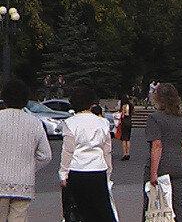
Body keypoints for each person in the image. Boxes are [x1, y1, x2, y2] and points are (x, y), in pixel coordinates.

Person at [59, 84, 116, 222]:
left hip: (77, 171)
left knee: (79, 212)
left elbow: (68, 151)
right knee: (100, 213)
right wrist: (108, 172)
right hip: (98, 170)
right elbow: (106, 151)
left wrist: (63, 173)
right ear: (91, 103)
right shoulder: (103, 123)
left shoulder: (70, 123)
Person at [0, 78, 51, 221]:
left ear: (4, 99)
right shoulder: (35, 123)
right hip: (24, 184)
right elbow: (46, 155)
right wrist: (28, 166)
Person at [144, 83, 182, 222]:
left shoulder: (154, 118)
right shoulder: (179, 119)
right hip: (177, 165)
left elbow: (157, 145)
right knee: (178, 204)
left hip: (162, 167)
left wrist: (153, 173)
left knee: (153, 205)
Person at [116, 94, 133, 161]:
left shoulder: (124, 106)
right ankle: (128, 153)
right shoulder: (131, 105)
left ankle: (124, 153)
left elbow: (122, 115)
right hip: (129, 120)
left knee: (123, 138)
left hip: (124, 121)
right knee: (128, 139)